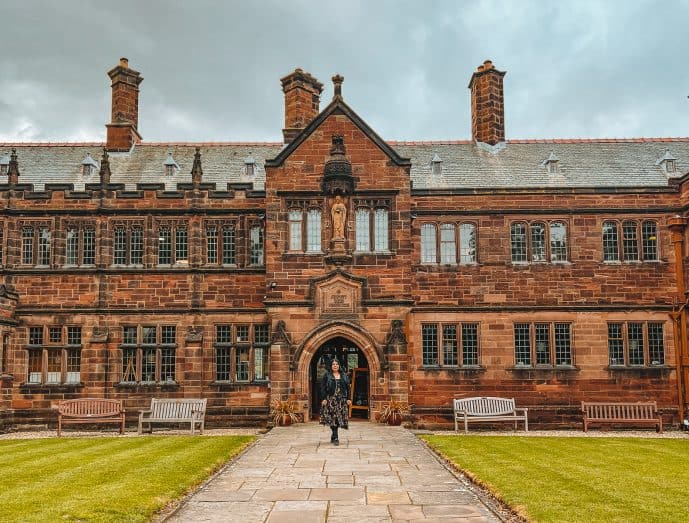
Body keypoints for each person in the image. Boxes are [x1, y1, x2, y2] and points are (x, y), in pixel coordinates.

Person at [319, 357, 351, 445]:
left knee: (337, 418)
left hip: (341, 400)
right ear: (331, 366)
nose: (335, 366)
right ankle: (336, 437)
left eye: (336, 364)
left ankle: (334, 436)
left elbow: (348, 388)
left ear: (339, 365)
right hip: (331, 399)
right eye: (333, 364)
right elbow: (323, 388)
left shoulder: (344, 375)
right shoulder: (327, 375)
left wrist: (349, 398)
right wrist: (324, 398)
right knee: (332, 418)